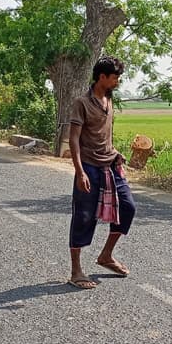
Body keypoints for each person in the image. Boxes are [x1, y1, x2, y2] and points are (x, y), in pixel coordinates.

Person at [67, 56, 138, 290]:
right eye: (115, 77)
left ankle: (106, 255)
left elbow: (105, 133)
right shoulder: (82, 103)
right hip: (88, 166)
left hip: (111, 164)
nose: (118, 82)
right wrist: (80, 172)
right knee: (84, 217)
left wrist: (116, 152)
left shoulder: (109, 99)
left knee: (127, 207)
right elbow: (74, 139)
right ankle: (76, 270)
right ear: (102, 77)